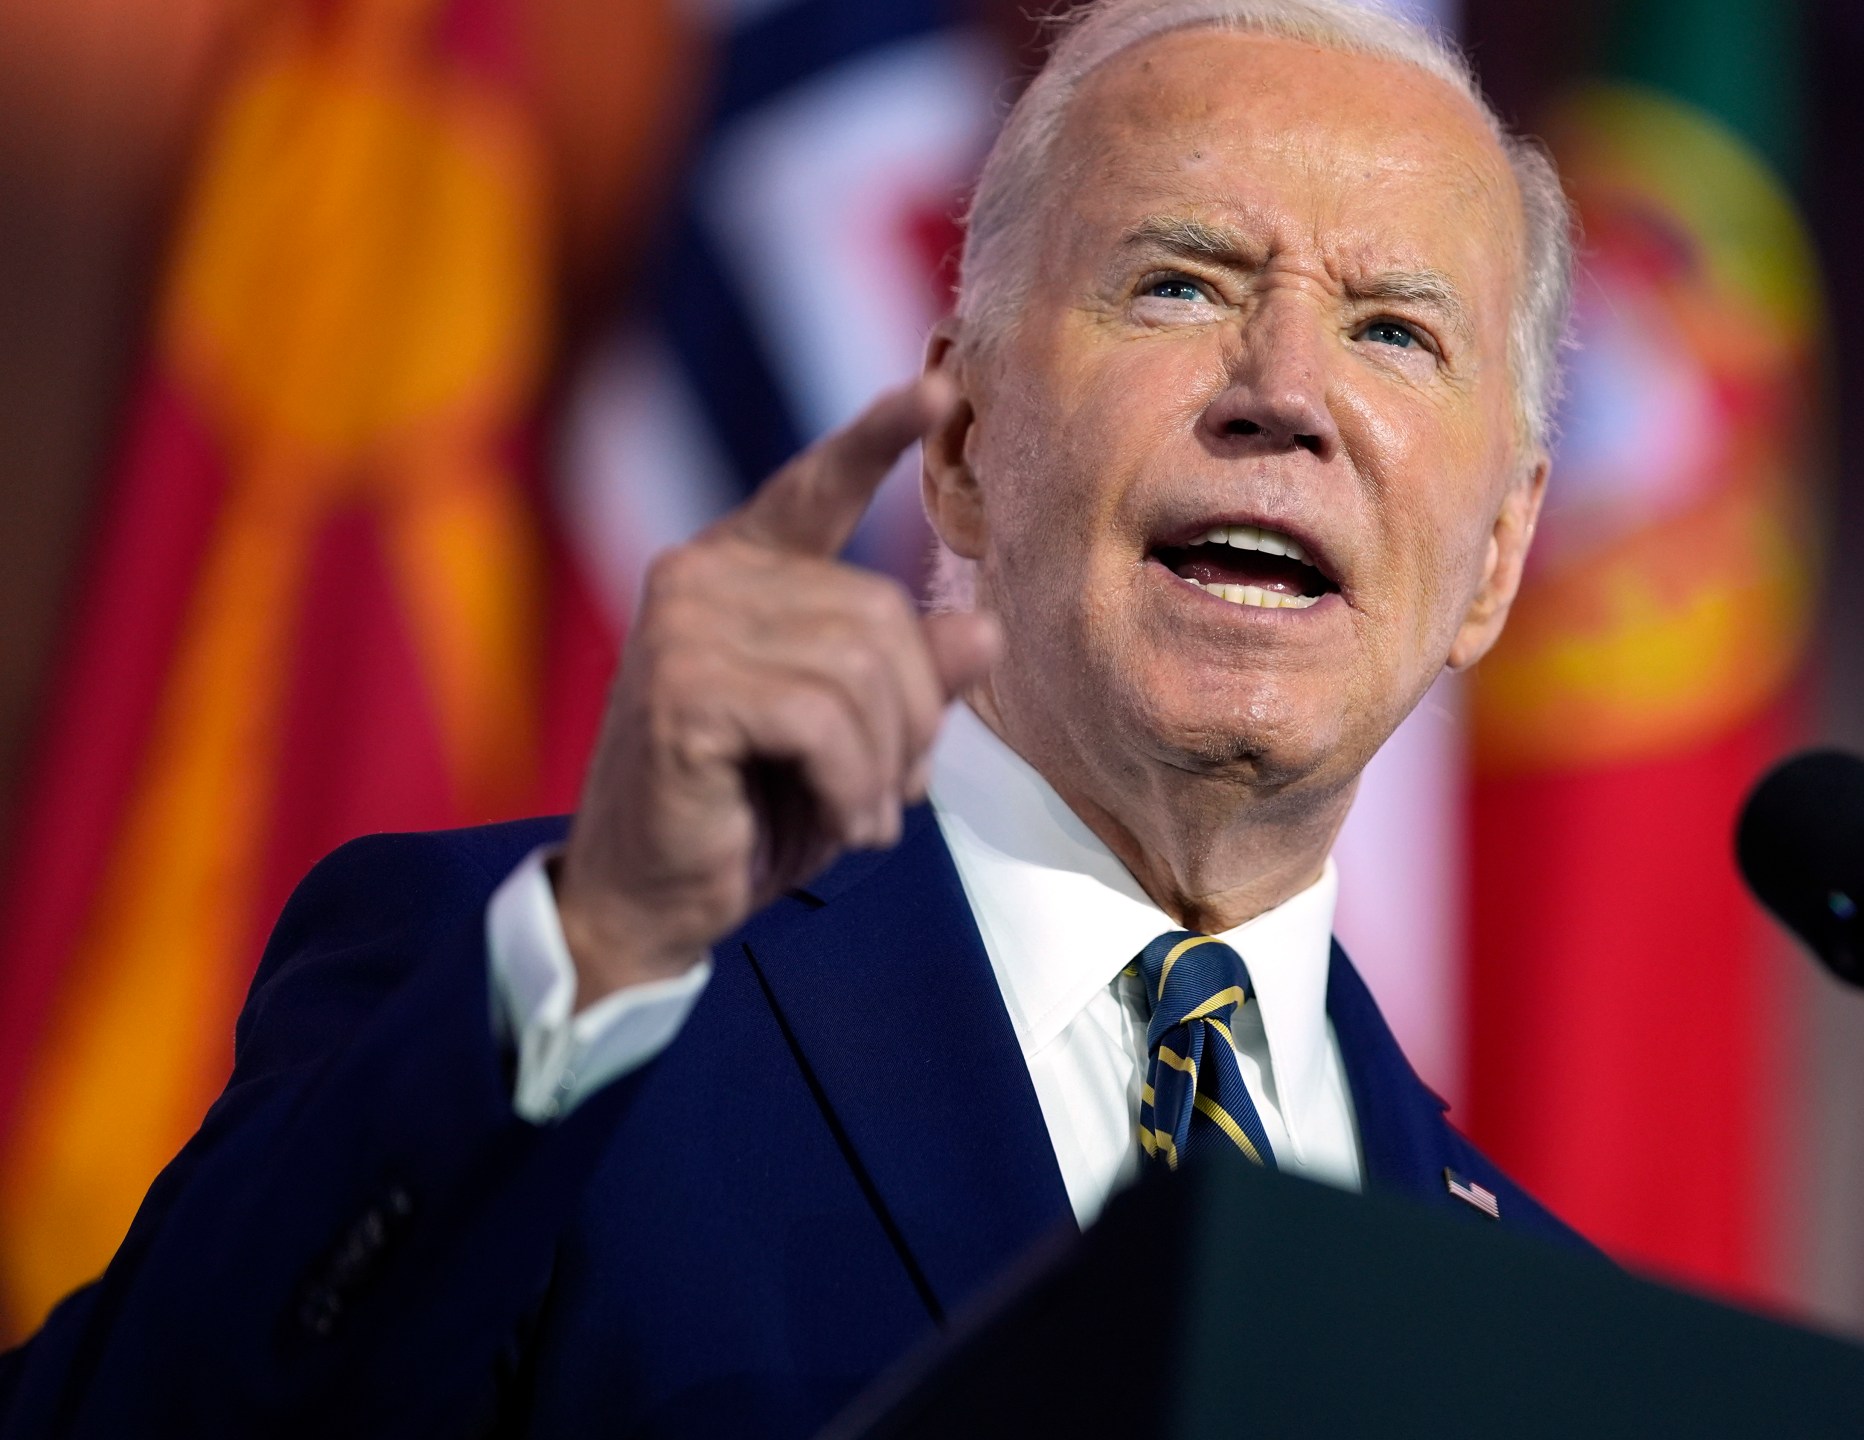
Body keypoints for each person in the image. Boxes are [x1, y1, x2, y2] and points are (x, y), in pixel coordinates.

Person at [0, 0, 1584, 1432]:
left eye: (1396, 330)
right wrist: (599, 953)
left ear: (1497, 557)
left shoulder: (1530, 1319)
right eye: (1179, 283)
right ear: (959, 445)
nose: (1284, 393)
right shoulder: (559, 1003)